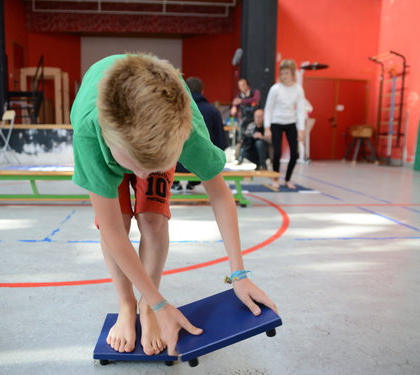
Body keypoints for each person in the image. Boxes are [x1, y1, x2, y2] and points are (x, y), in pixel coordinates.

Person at [70, 54, 277, 357]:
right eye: (135, 166)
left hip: (145, 140)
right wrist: (161, 302)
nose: (140, 176)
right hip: (106, 142)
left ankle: (146, 307)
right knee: (121, 219)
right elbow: (113, 231)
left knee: (153, 219)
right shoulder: (89, 132)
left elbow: (220, 195)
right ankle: (128, 306)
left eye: (151, 167)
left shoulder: (186, 128)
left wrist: (239, 274)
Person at [171, 76, 227, 192]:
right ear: (202, 91)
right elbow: (221, 141)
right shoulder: (212, 111)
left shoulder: (173, 109)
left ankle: (174, 184)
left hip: (174, 165)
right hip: (203, 164)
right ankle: (193, 182)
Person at [264, 59, 306, 189]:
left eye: (286, 73)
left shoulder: (298, 89)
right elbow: (268, 108)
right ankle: (276, 178)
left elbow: (300, 110)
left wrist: (301, 129)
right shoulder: (275, 89)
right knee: (277, 152)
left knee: (294, 153)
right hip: (276, 122)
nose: (284, 76)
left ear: (292, 74)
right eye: (282, 73)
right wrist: (267, 127)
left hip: (291, 122)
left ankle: (287, 179)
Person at [230, 78, 260, 163]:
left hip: (254, 122)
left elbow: (255, 99)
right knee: (241, 140)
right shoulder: (238, 96)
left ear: (247, 85)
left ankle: (257, 160)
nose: (242, 87)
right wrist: (234, 108)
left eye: (244, 84)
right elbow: (234, 107)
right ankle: (241, 158)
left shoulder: (255, 93)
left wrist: (242, 101)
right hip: (242, 122)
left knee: (253, 140)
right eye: (240, 86)